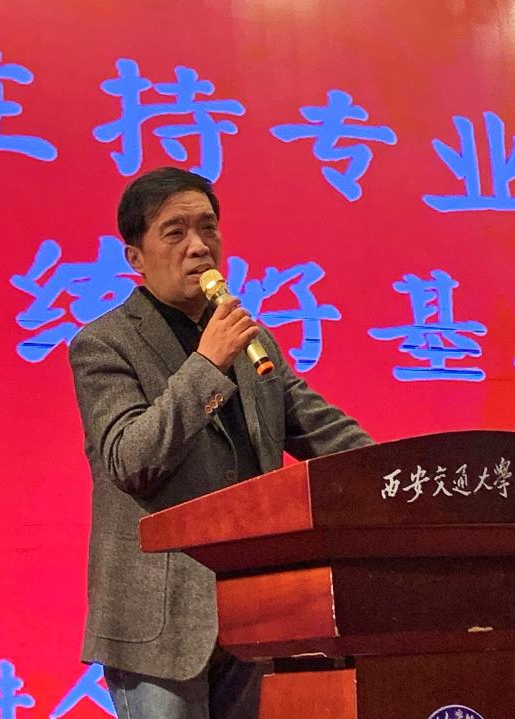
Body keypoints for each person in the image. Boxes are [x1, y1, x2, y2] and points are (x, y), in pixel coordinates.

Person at [68, 166, 373, 719]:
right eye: (175, 232)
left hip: (252, 611)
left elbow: (325, 433)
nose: (199, 246)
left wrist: (401, 476)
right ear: (135, 257)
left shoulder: (251, 342)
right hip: (159, 624)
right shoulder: (104, 344)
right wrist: (207, 364)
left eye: (208, 228)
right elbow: (130, 459)